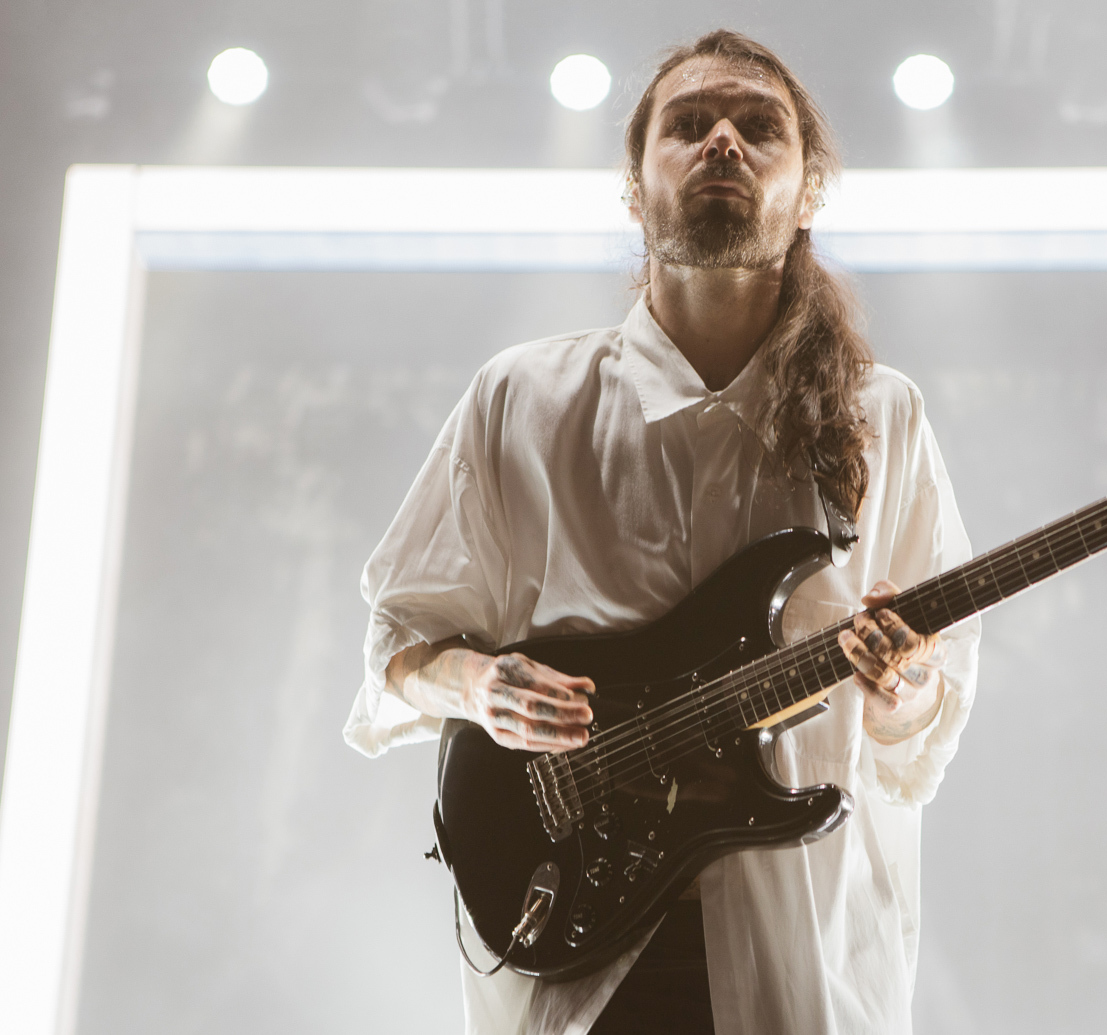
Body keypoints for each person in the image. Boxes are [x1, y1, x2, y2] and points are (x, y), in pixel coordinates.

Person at [346, 29, 981, 1035]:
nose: (723, 141)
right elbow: (399, 645)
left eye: (759, 127)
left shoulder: (880, 416)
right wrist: (480, 686)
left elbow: (913, 744)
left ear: (808, 193)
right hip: (581, 960)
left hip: (800, 955)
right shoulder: (522, 397)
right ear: (635, 191)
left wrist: (902, 684)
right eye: (689, 125)